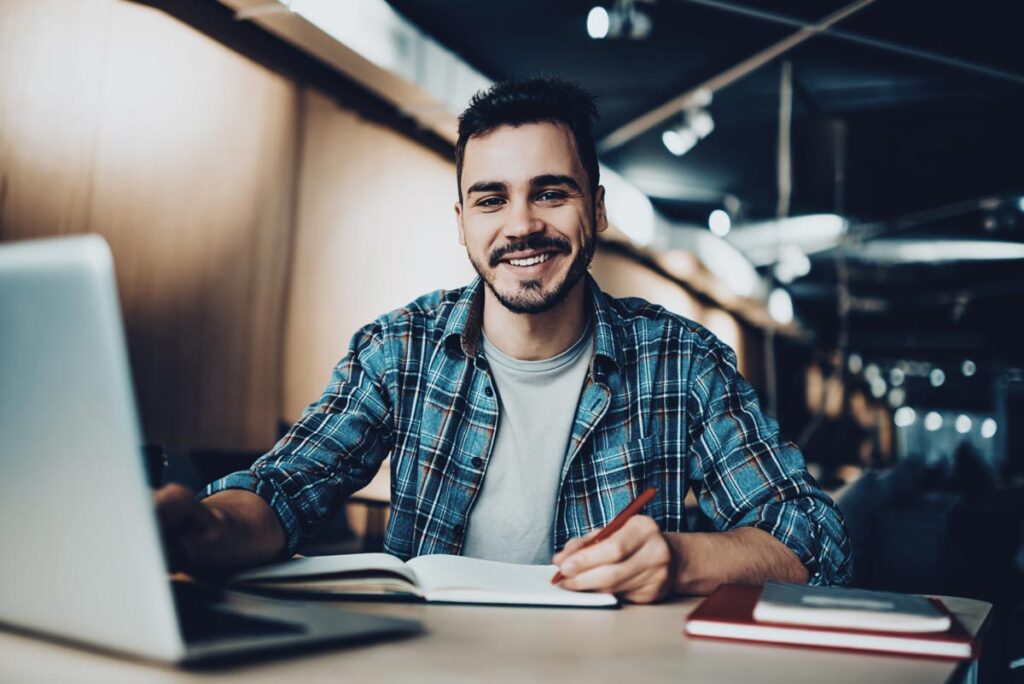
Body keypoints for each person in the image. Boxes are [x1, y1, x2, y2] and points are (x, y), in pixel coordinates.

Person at [157, 78, 852, 603]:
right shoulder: (400, 348)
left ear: (598, 208)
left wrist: (681, 558)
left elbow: (816, 539)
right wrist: (209, 529)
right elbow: (285, 490)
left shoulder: (683, 361)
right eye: (492, 199)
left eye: (551, 192)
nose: (521, 225)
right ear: (461, 222)